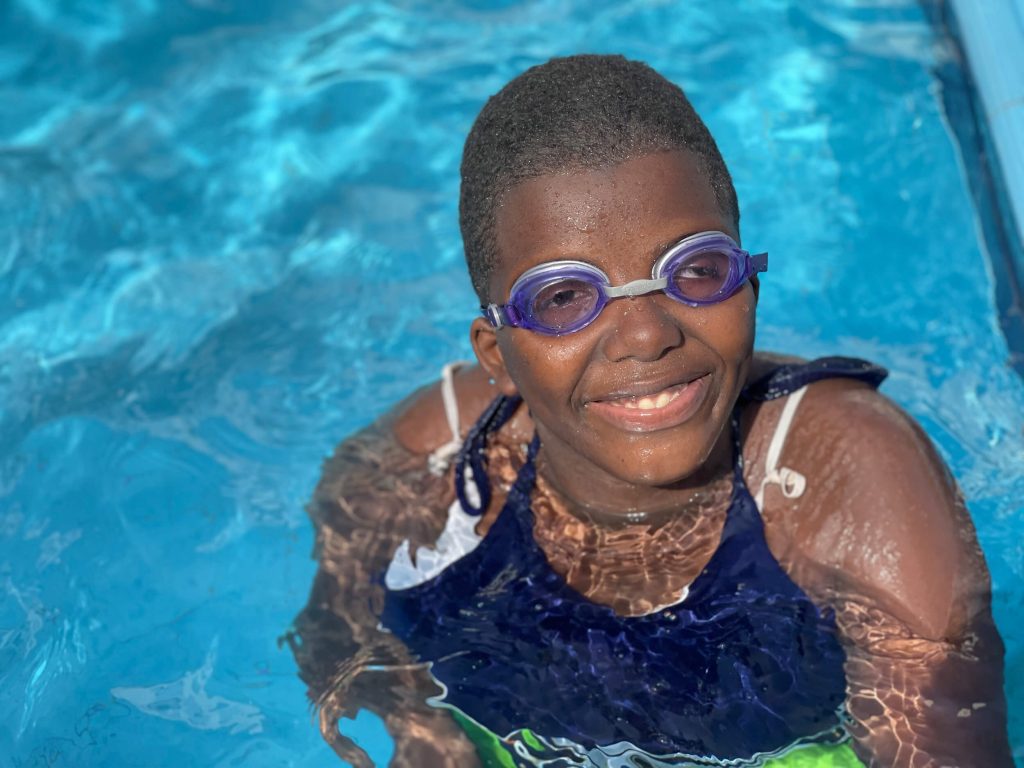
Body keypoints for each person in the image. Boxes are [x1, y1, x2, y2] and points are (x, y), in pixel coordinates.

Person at [287, 55, 1011, 767]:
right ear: (497, 353)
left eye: (695, 270)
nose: (647, 335)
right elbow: (340, 650)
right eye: (564, 296)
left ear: (750, 287)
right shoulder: (427, 468)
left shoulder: (846, 478)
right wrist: (427, 738)